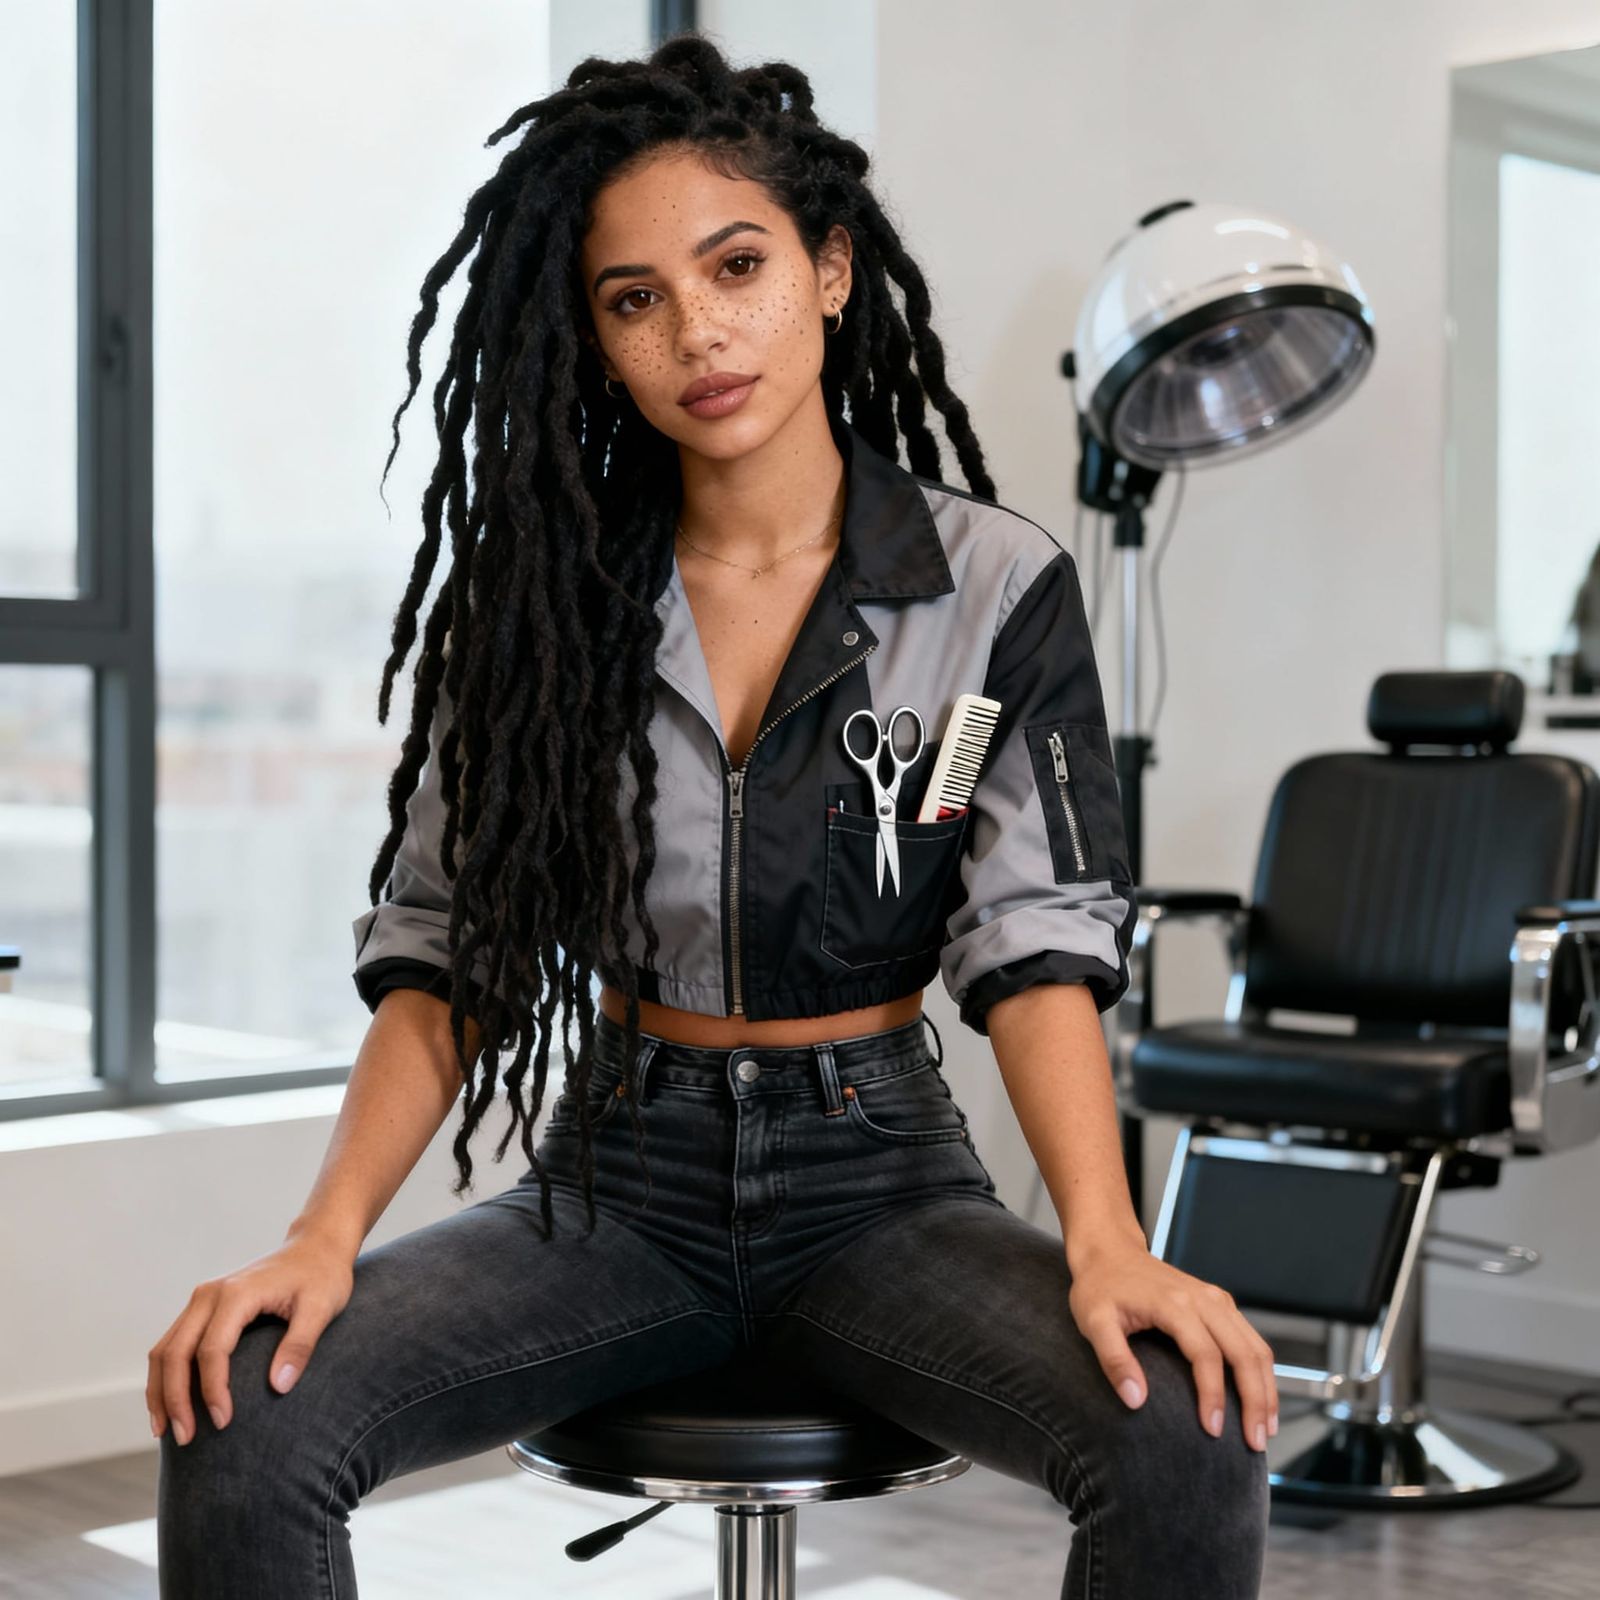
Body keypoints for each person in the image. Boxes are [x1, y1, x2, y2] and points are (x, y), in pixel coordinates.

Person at [150, 35, 1273, 1598]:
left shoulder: (994, 588)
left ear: (829, 270)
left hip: (880, 1186)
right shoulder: (542, 607)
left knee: (1186, 1437)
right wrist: (322, 1234)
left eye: (737, 266)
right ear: (596, 340)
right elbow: (454, 952)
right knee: (246, 1417)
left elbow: (1035, 948)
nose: (697, 331)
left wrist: (1105, 1240)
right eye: (635, 299)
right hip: (623, 1185)